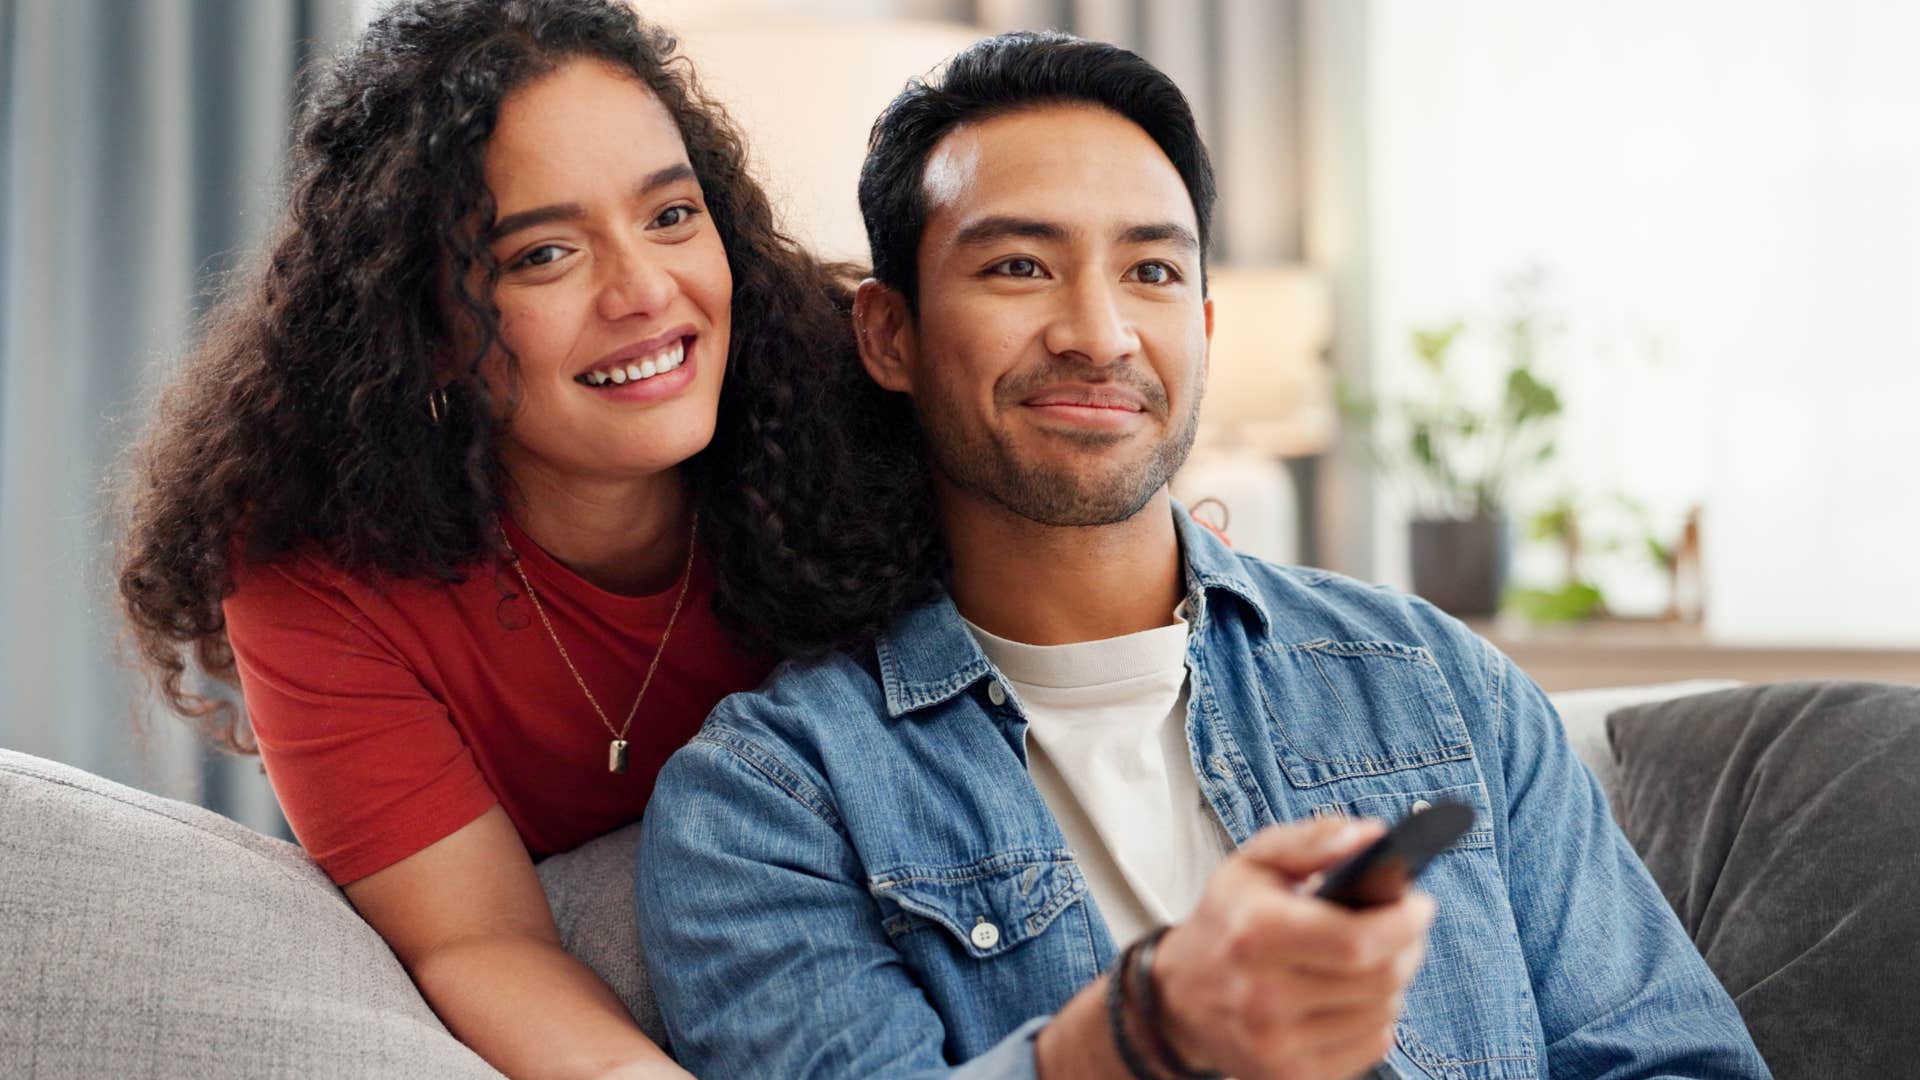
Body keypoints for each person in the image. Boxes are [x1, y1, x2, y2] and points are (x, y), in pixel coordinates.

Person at [635, 31, 1773, 1080]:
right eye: (1020, 268)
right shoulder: (770, 803)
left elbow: (1674, 1059)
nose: (1101, 333)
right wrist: (1145, 1029)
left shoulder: (1437, 682)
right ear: (891, 336)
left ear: (1206, 333)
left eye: (1153, 272)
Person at [113, 2, 891, 1076]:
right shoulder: (310, 565)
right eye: (545, 254)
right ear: (422, 331)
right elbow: (482, 942)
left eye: (671, 217)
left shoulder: (866, 421)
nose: (646, 292)